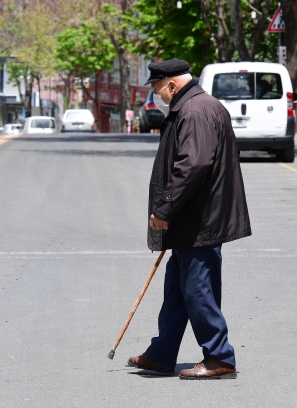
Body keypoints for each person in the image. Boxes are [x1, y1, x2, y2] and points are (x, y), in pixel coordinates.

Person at [127, 59, 251, 379]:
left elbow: (192, 166)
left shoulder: (194, 111)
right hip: (192, 218)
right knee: (178, 290)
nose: (157, 96)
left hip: (200, 220)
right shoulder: (193, 106)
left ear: (171, 84)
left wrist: (164, 208)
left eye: (157, 89)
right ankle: (162, 354)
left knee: (198, 288)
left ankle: (220, 356)